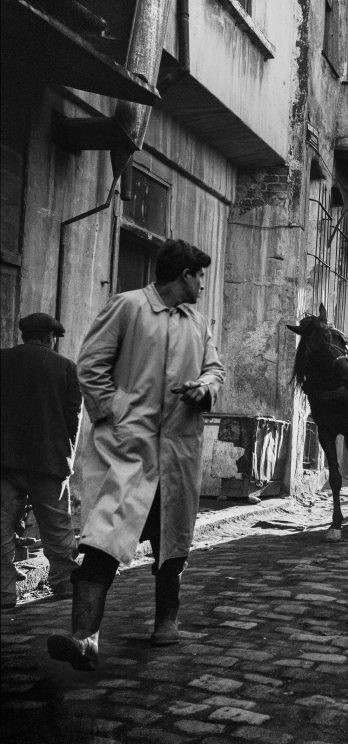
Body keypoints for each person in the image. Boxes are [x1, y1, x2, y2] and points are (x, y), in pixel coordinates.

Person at [47, 239, 225, 671]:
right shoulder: (127, 306)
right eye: (200, 275)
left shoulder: (196, 322)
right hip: (128, 452)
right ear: (184, 275)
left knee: (172, 543)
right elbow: (90, 365)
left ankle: (167, 621)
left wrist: (203, 389)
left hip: (178, 452)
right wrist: (116, 414)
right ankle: (84, 638)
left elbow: (214, 369)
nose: (203, 283)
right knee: (103, 541)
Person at [1, 313, 82, 610]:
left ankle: (5, 593)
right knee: (58, 527)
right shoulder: (66, 368)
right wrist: (65, 455)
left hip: (5, 462)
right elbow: (73, 420)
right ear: (50, 338)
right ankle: (64, 584)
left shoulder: (3, 361)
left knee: (1, 529)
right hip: (49, 461)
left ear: (24, 335)